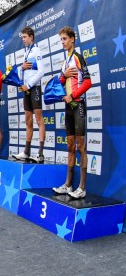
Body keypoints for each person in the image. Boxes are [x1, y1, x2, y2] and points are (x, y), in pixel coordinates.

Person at [53, 26, 93, 199]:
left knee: (81, 147)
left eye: (64, 39)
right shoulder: (65, 62)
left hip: (78, 105)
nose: (62, 42)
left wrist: (72, 95)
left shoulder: (78, 57)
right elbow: (60, 82)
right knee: (70, 146)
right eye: (61, 39)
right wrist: (63, 75)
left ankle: (82, 187)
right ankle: (68, 185)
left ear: (72, 39)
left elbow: (88, 82)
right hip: (68, 107)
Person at [13, 26, 46, 163]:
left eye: (25, 37)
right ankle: (26, 152)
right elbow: (25, 72)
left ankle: (40, 153)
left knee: (39, 120)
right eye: (22, 38)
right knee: (28, 121)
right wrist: (21, 68)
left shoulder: (36, 50)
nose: (23, 40)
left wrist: (29, 85)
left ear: (31, 37)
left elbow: (41, 71)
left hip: (34, 88)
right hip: (26, 90)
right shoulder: (26, 52)